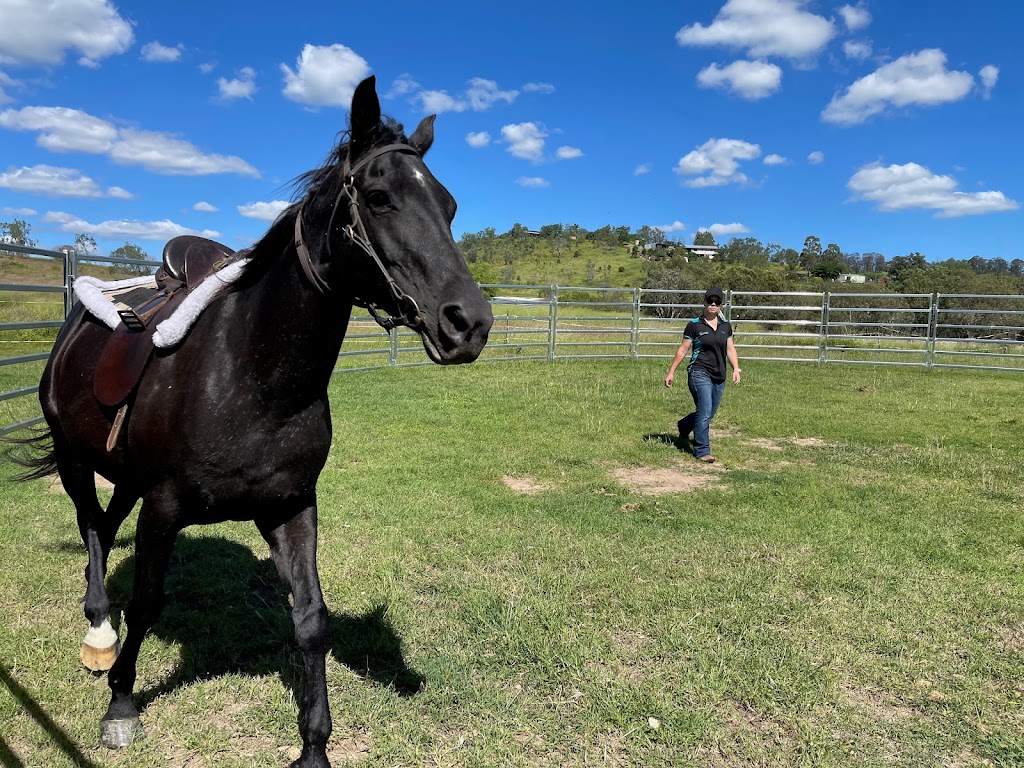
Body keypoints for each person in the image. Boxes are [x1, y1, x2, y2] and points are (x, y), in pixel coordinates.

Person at [664, 287, 741, 463]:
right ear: (704, 302)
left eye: (717, 302)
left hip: (719, 374)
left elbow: (730, 349)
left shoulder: (725, 326)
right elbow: (683, 350)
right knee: (705, 411)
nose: (713, 305)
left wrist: (736, 368)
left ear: (721, 305)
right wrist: (671, 371)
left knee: (708, 412)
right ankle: (702, 451)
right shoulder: (694, 325)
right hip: (699, 372)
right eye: (710, 301)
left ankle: (684, 425)